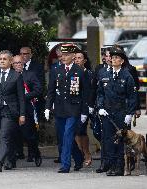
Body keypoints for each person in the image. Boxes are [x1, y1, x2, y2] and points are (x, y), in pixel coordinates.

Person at [44, 43, 88, 173]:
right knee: (63, 137)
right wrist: (47, 107)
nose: (63, 57)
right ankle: (79, 158)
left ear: (73, 56)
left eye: (67, 55)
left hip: (74, 109)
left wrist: (85, 111)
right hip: (59, 109)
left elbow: (85, 93)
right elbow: (51, 90)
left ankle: (65, 164)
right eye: (62, 54)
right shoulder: (56, 70)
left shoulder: (80, 71)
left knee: (68, 135)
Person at [97, 47, 137, 176]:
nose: (113, 60)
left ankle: (120, 166)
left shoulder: (127, 76)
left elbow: (132, 96)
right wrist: (100, 107)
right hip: (108, 112)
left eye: (116, 58)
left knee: (121, 140)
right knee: (109, 139)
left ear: (122, 61)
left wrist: (130, 114)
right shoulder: (105, 75)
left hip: (121, 111)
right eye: (112, 58)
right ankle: (112, 165)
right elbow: (100, 93)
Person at [12, 55, 42, 167]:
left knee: (28, 134)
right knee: (12, 133)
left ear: (23, 64)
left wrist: (24, 96)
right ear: (12, 64)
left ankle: (36, 152)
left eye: (19, 63)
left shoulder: (30, 74)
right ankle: (13, 156)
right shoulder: (10, 75)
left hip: (27, 107)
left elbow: (38, 89)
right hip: (13, 108)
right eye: (15, 63)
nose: (18, 65)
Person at [74, 49, 93, 167]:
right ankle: (80, 153)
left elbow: (91, 92)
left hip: (85, 107)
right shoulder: (74, 73)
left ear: (84, 60)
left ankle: (87, 154)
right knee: (76, 131)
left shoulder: (89, 74)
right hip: (74, 106)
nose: (76, 60)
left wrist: (88, 107)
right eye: (75, 58)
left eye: (79, 58)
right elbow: (74, 91)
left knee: (82, 130)